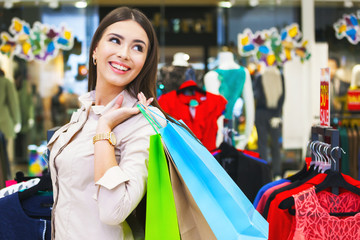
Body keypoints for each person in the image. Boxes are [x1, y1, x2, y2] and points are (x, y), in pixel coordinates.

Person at [47, 7, 169, 240]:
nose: (124, 54)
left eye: (137, 47)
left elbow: (114, 211)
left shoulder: (144, 122)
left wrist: (104, 130)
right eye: (115, 40)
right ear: (95, 50)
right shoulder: (83, 114)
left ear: (145, 61)